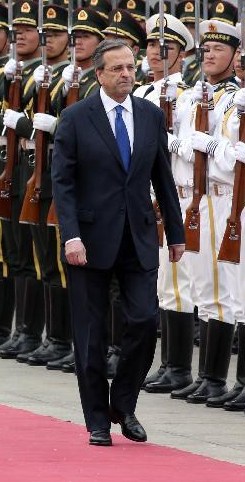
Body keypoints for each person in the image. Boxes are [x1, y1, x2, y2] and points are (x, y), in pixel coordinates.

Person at [51, 38, 184, 446]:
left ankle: (123, 402)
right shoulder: (76, 118)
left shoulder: (148, 114)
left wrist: (176, 232)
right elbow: (63, 184)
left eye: (131, 67)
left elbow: (162, 176)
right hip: (89, 240)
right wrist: (71, 235)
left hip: (139, 236)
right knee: (91, 334)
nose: (127, 74)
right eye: (118, 69)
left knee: (144, 321)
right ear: (99, 75)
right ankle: (96, 420)